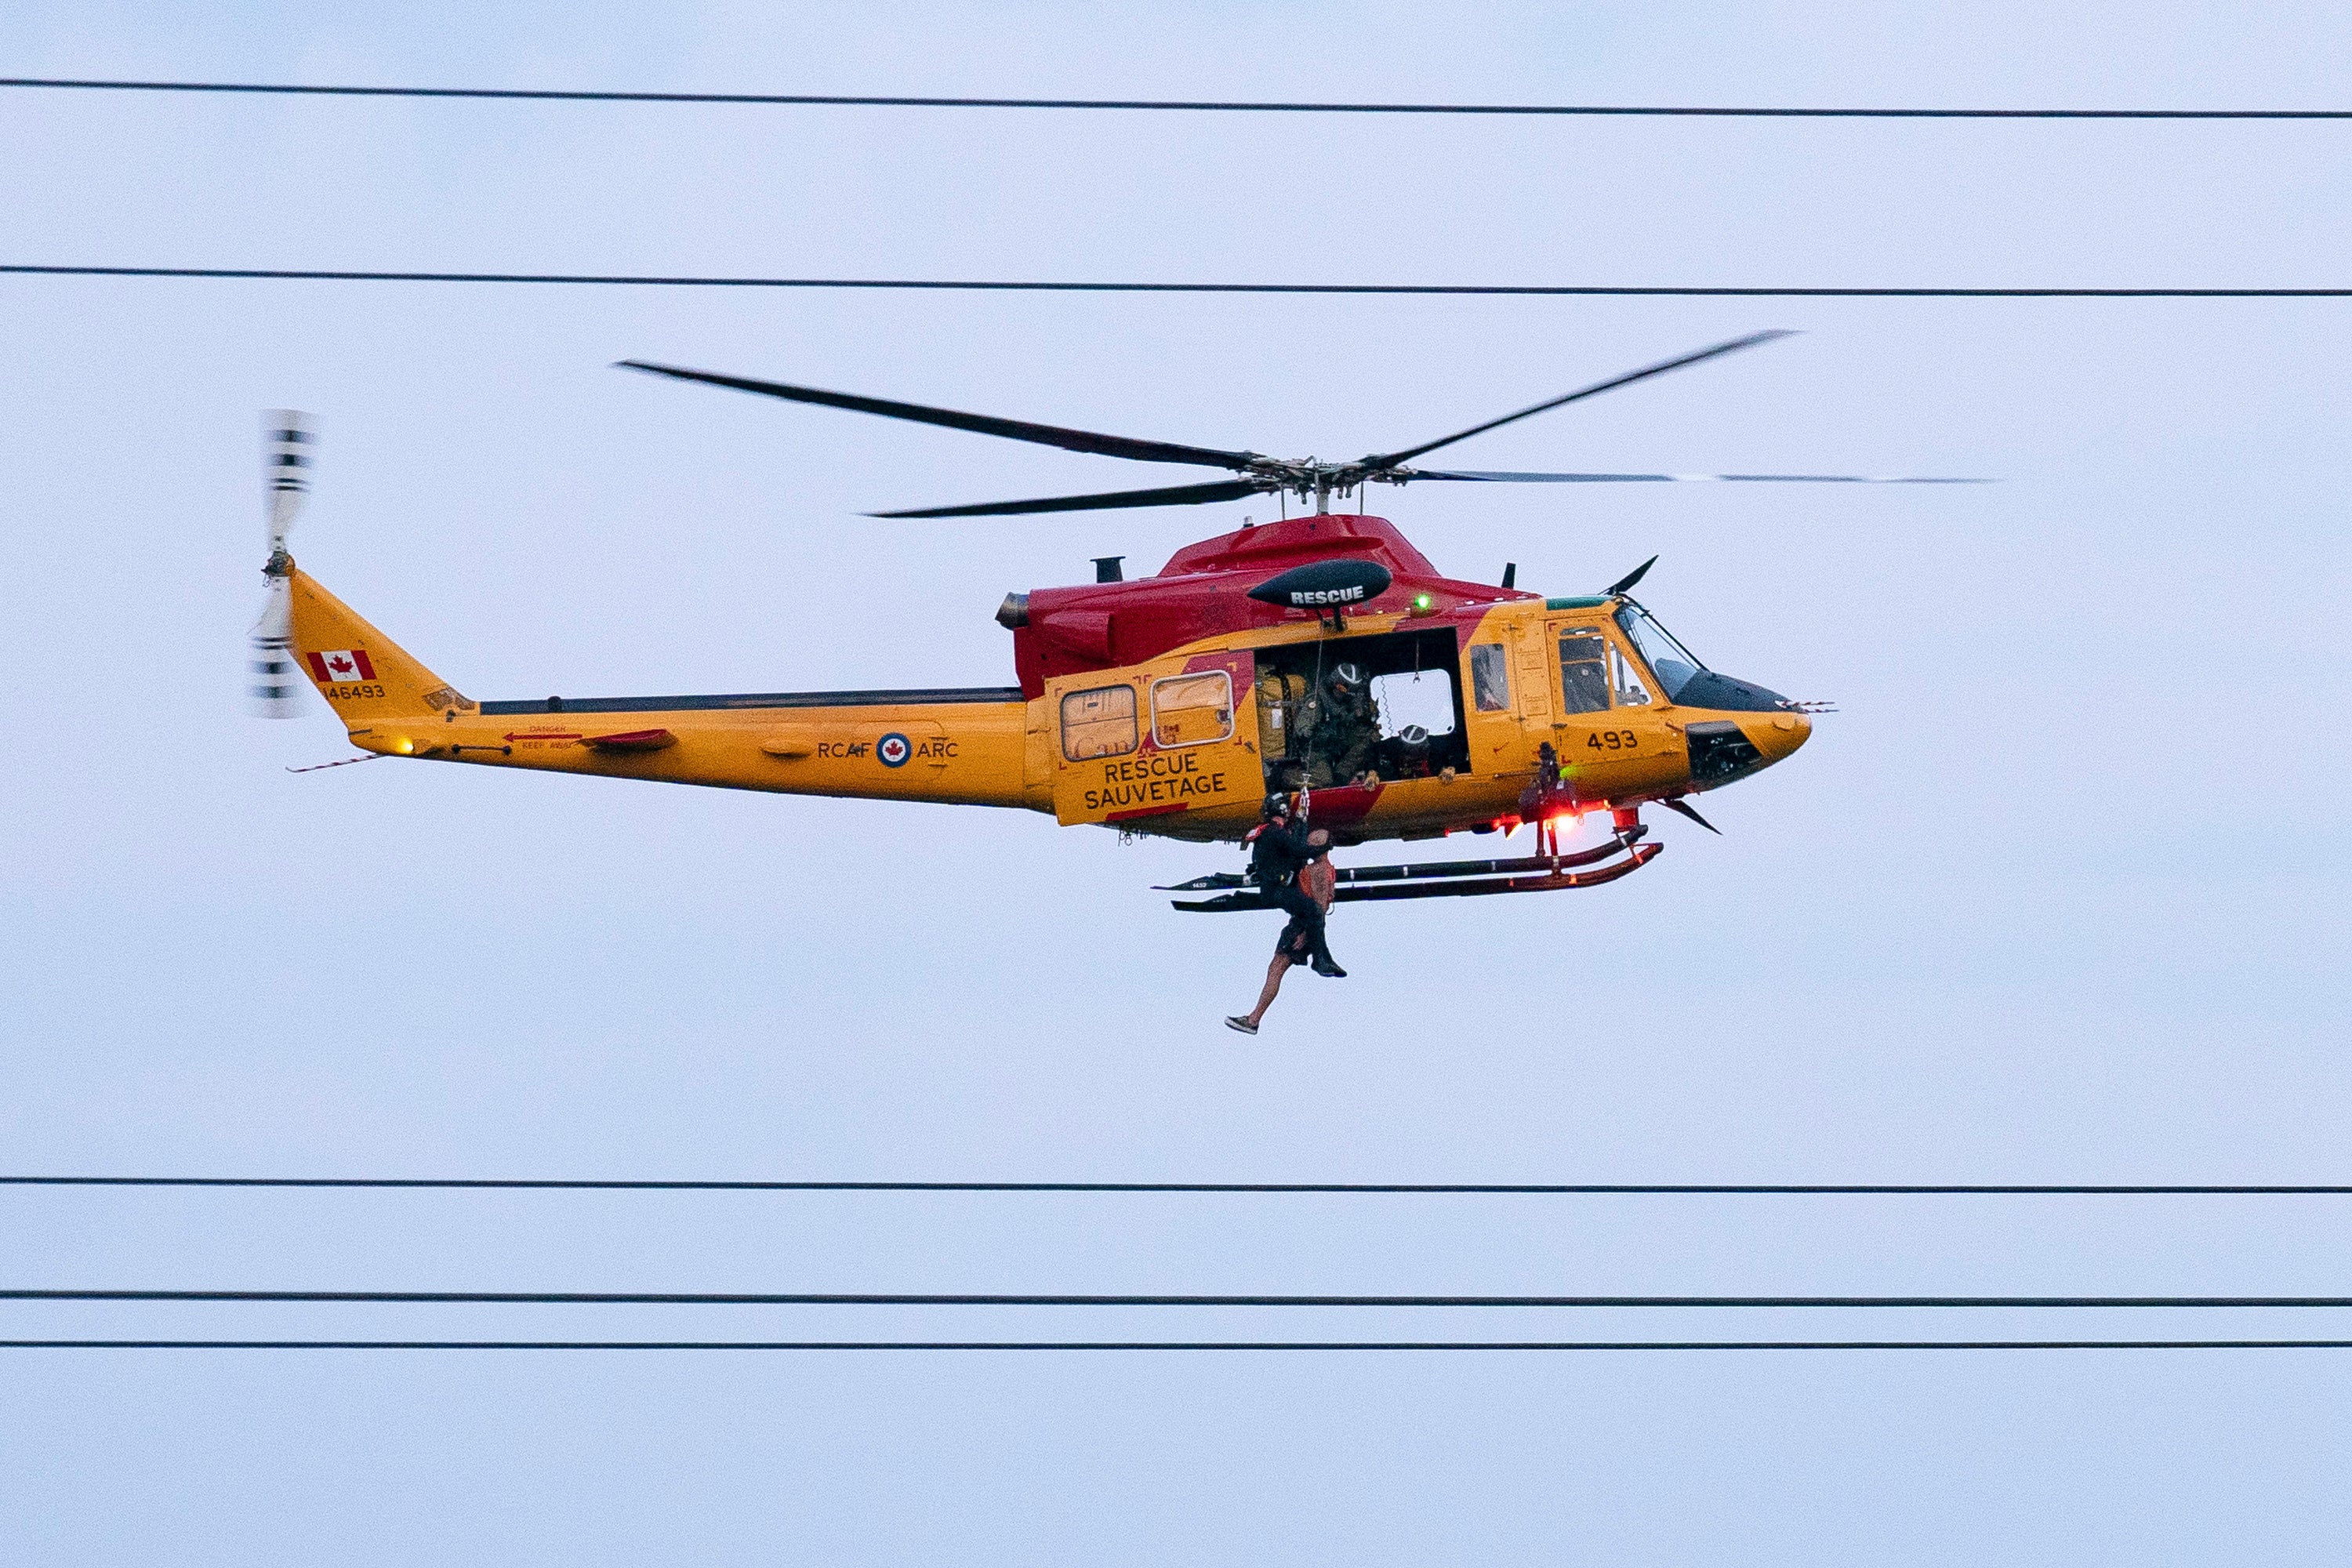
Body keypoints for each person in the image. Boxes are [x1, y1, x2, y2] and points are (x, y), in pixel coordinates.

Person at [1225, 793, 1344, 1036]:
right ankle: (1254, 1019)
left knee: (1276, 967)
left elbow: (1318, 907)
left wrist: (1305, 934)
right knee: (1275, 968)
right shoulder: (1311, 865)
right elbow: (1295, 851)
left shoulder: (1318, 870)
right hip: (1301, 920)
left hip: (1302, 925)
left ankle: (1254, 1020)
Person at [1307, 662, 1380, 786]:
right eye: (1342, 688)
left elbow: (1353, 720)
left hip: (1338, 743)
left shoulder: (1349, 700)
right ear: (1334, 684)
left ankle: (1341, 776)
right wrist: (1327, 734)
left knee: (1367, 737)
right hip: (1318, 749)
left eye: (1349, 690)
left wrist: (1359, 716)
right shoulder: (1316, 700)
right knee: (1325, 779)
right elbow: (1304, 732)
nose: (1344, 692)